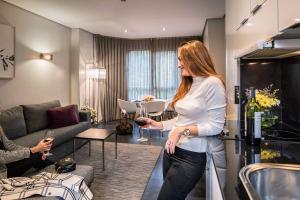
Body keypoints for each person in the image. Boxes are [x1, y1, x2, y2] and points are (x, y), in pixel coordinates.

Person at [141, 40, 226, 199]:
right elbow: (182, 119)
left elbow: (215, 127)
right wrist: (160, 125)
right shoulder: (188, 84)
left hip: (191, 158)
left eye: (181, 59)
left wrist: (181, 131)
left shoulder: (213, 83)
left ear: (195, 59)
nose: (178, 65)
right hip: (170, 151)